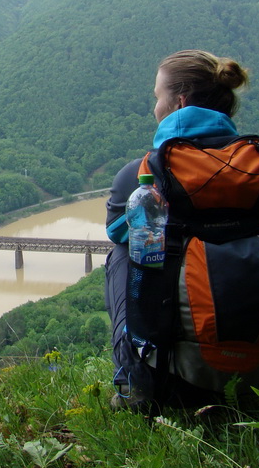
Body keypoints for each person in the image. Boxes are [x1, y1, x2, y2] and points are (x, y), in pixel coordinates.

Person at [104, 49, 249, 410]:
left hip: (172, 377)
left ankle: (134, 378)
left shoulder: (141, 175)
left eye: (157, 97)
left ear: (179, 102)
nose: (154, 108)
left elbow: (116, 233)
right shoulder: (258, 169)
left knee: (122, 248)